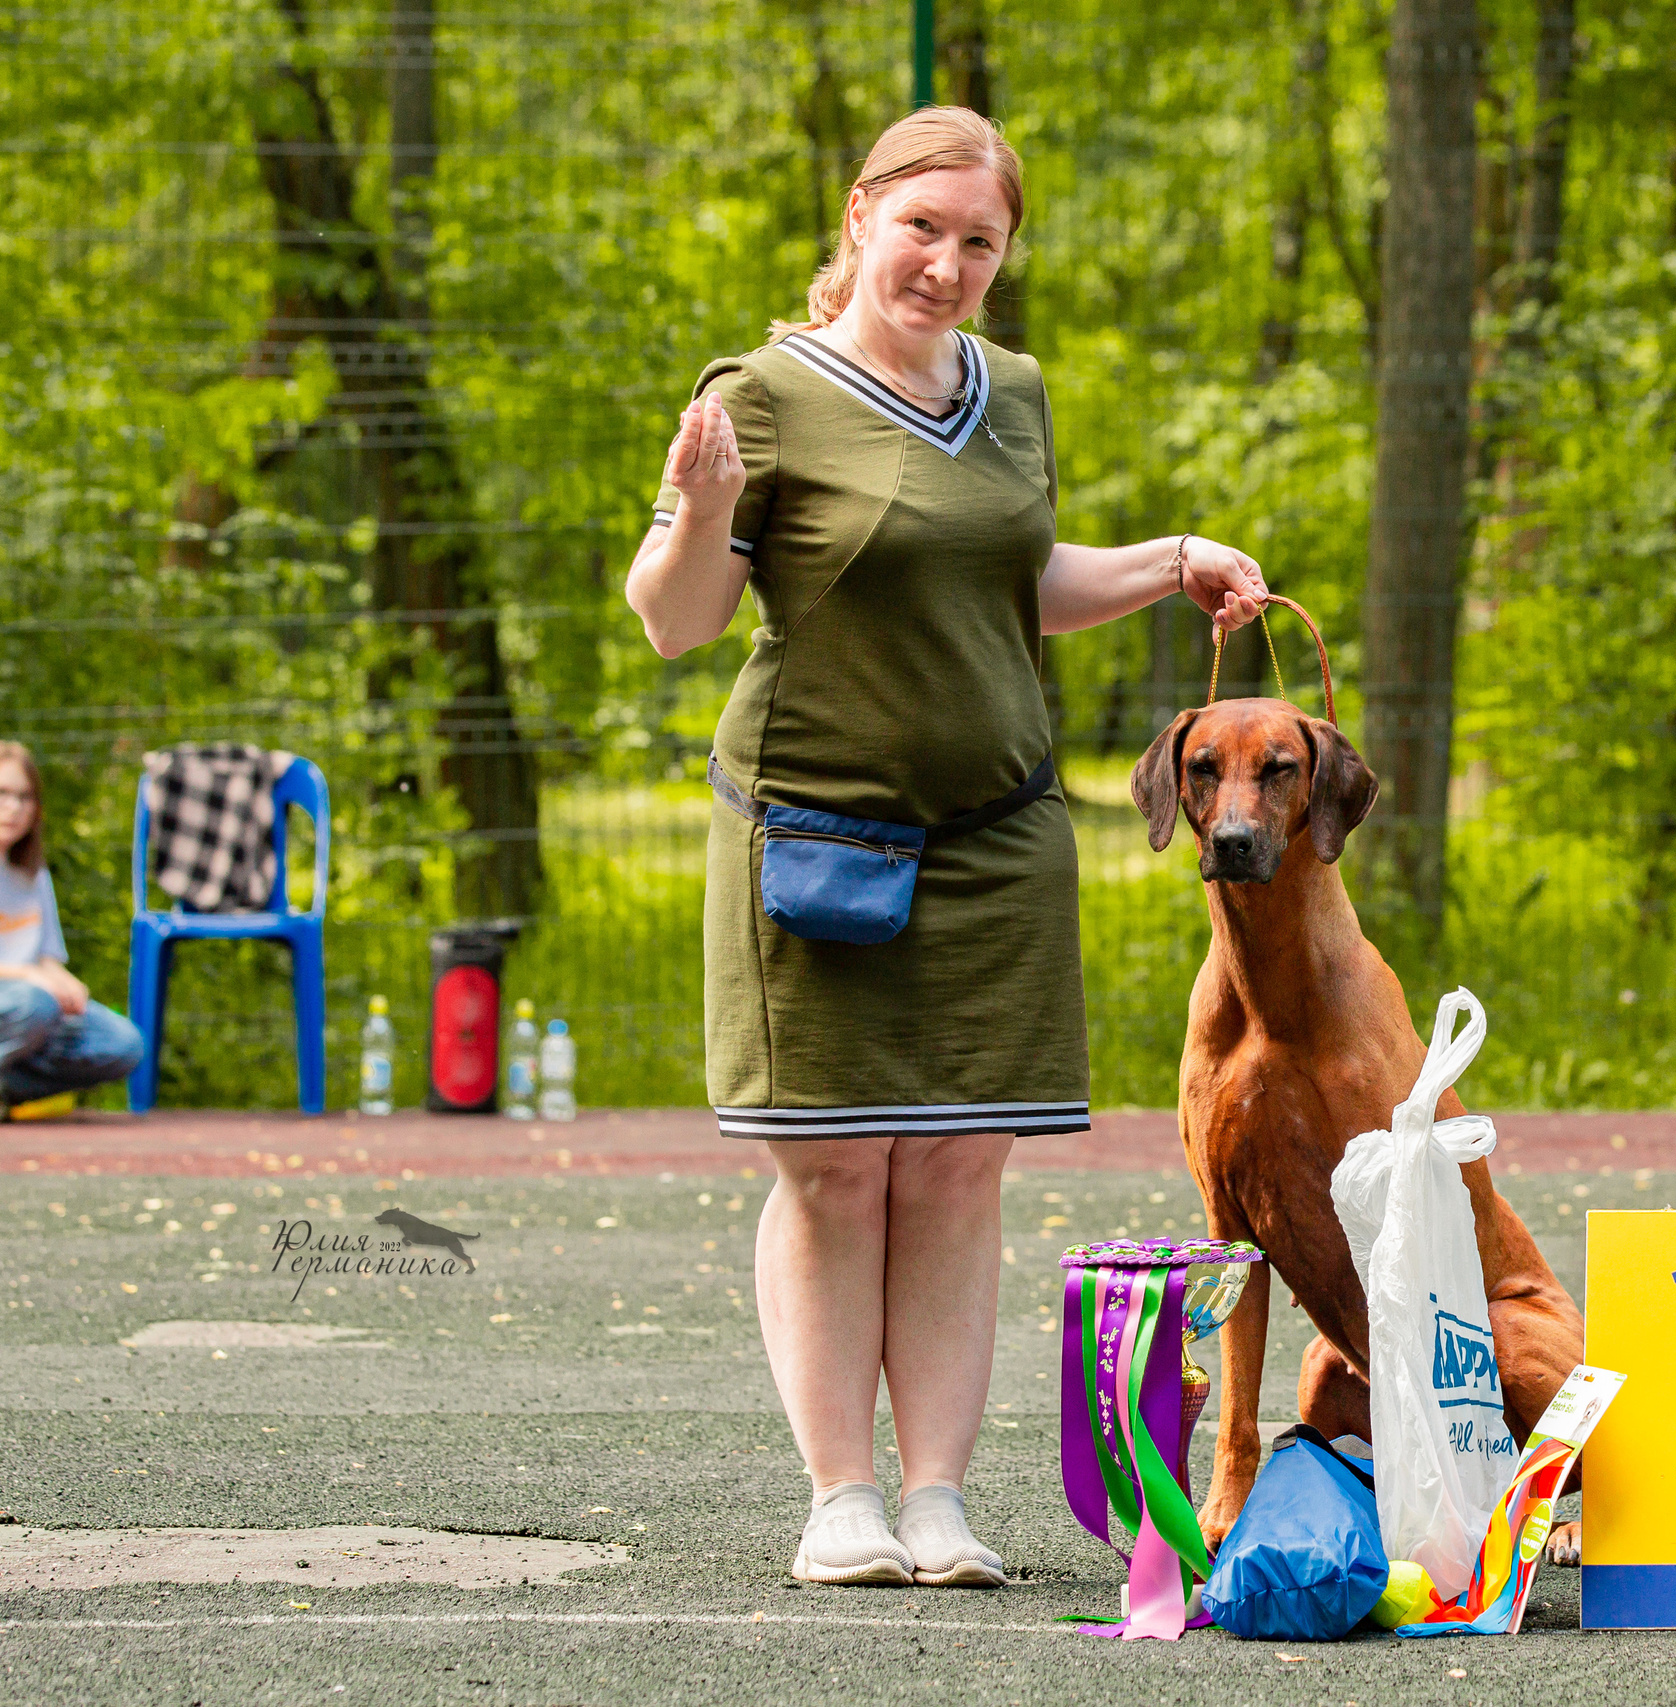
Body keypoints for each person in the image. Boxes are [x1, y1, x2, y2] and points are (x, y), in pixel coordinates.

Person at [624, 107, 1267, 1588]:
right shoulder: (759, 394)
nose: (947, 262)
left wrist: (1172, 560)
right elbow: (676, 618)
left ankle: (938, 1502)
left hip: (998, 840)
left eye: (981, 241)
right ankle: (840, 1499)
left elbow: (1009, 580)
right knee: (837, 1174)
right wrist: (702, 510)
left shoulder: (1014, 390)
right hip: (814, 839)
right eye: (923, 227)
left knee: (963, 1172)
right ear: (862, 216)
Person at [0, 742, 144, 1116]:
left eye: (24, 797)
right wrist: (32, 977)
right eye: (3, 793)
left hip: (31, 1008)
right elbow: (32, 977)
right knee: (35, 1004)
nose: (14, 807)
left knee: (122, 1042)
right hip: (23, 1003)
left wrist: (66, 983)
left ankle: (6, 1089)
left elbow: (46, 956)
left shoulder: (32, 873)